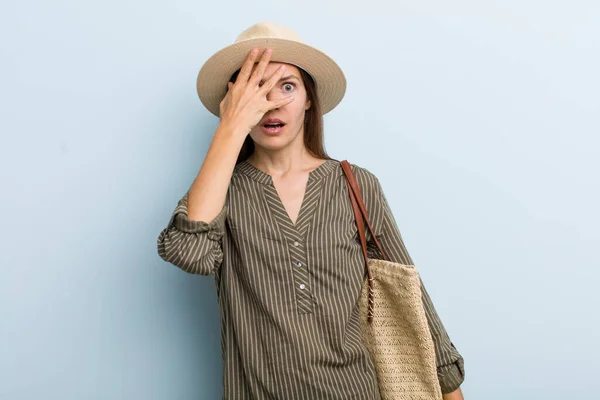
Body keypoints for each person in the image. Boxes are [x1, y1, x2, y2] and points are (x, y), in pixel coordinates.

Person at [157, 22, 465, 399]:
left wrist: (450, 389)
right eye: (257, 88)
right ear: (236, 101)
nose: (272, 101)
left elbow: (411, 299)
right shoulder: (222, 190)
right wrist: (231, 127)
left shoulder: (356, 184)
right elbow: (190, 252)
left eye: (287, 85)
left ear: (308, 98)